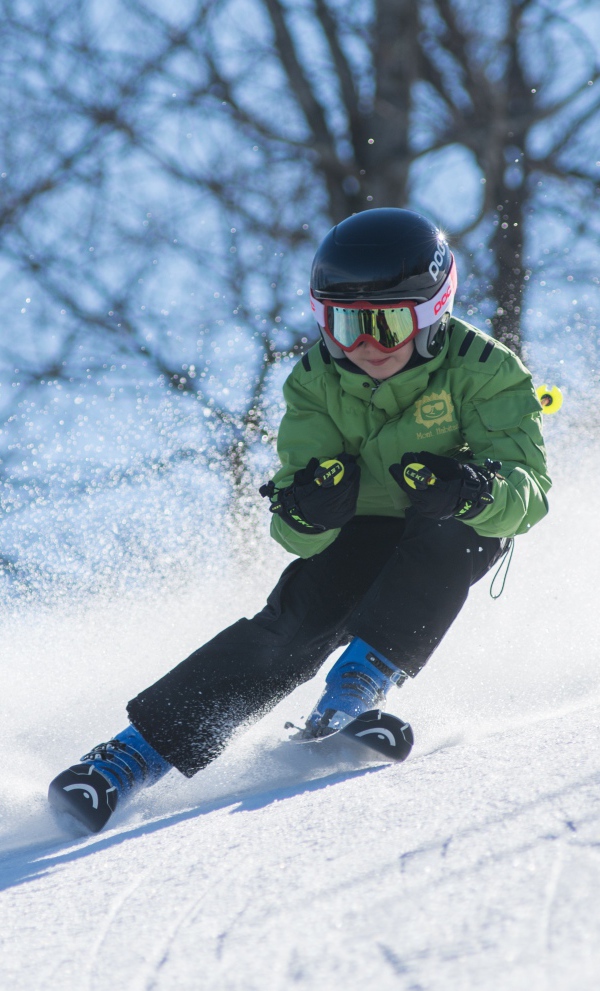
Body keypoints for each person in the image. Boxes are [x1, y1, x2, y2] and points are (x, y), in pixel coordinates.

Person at [48, 207, 551, 833]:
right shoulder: (315, 379)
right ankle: (126, 760)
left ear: (432, 315)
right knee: (295, 622)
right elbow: (291, 529)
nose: (363, 346)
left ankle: (350, 697)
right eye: (343, 324)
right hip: (360, 529)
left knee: (464, 534)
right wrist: (309, 510)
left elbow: (529, 494)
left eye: (387, 324)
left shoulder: (487, 369)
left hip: (446, 522)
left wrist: (473, 490)